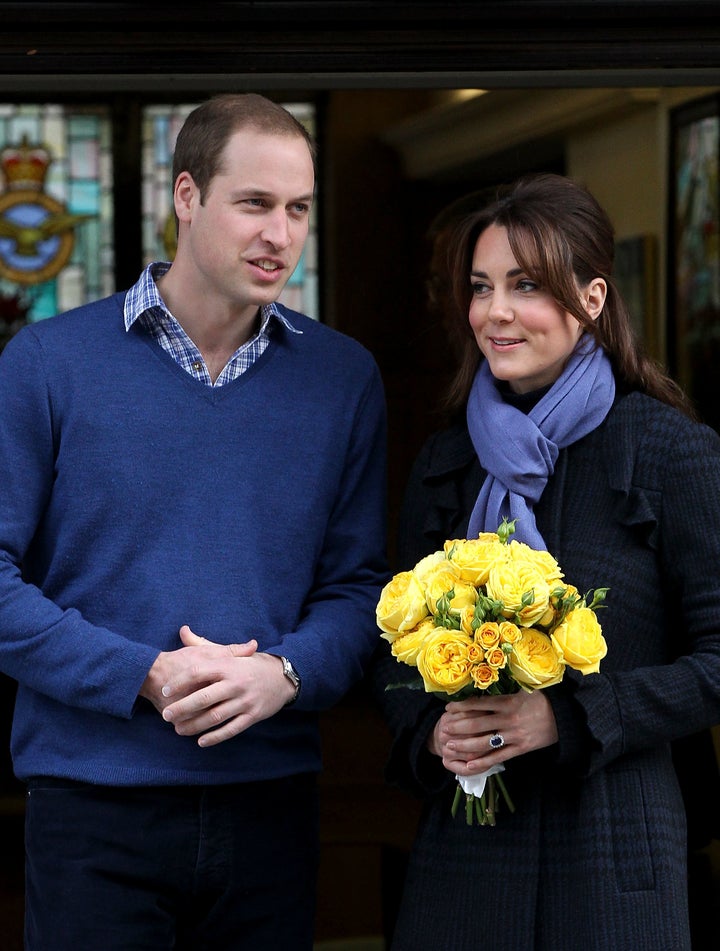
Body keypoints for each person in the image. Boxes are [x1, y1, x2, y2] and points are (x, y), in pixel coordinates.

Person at [0, 92, 388, 950]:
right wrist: (144, 673)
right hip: (92, 807)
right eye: (254, 203)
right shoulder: (46, 364)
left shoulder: (342, 379)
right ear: (186, 196)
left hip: (272, 805)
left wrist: (283, 673)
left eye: (298, 210)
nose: (279, 235)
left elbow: (362, 590)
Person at [371, 172, 720, 950]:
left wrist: (564, 717)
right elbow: (389, 651)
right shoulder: (445, 461)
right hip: (465, 865)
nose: (495, 311)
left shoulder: (670, 450)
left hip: (613, 850)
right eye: (481, 286)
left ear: (592, 297)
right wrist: (430, 732)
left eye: (526, 285)